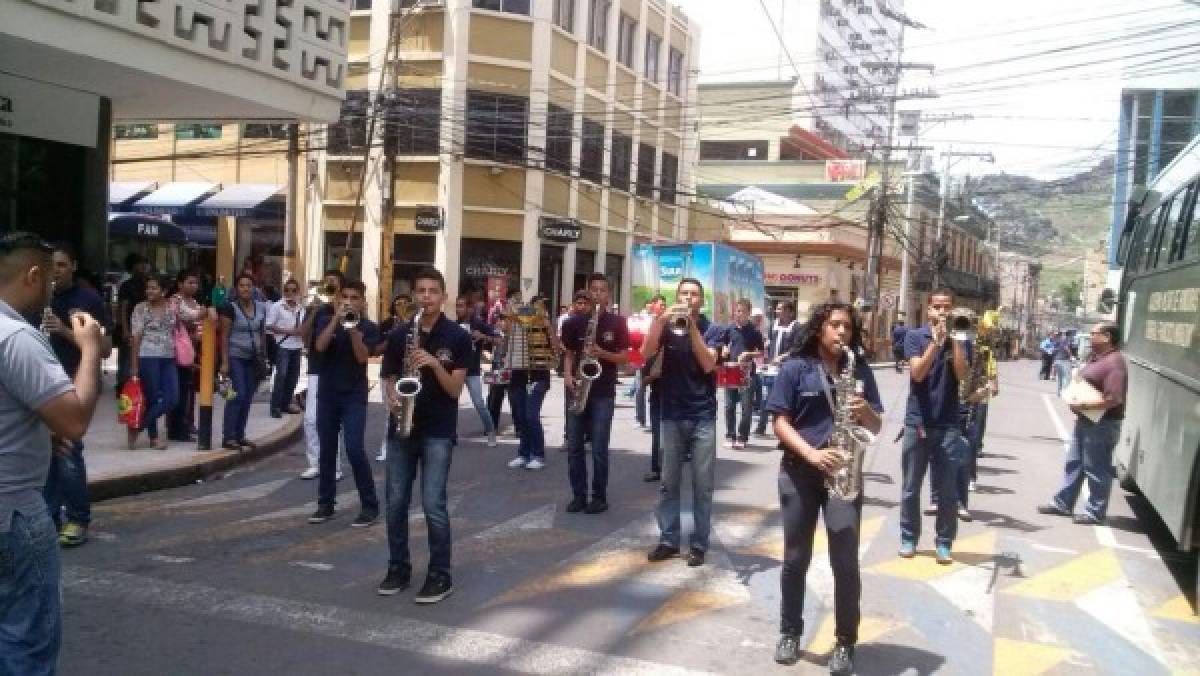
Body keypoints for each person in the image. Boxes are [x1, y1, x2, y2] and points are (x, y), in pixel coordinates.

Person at [0, 231, 104, 673]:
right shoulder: (16, 338)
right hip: (14, 514)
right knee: (26, 649)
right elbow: (75, 419)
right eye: (47, 281)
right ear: (33, 275)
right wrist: (91, 351)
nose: (50, 292)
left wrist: (35, 430)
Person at [766, 302, 883, 671]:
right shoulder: (795, 368)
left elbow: (876, 426)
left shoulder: (858, 368)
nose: (841, 333)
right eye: (834, 326)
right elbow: (779, 422)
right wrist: (811, 454)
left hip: (843, 476)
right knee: (795, 558)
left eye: (847, 328)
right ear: (820, 328)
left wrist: (864, 409)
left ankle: (845, 642)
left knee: (845, 563)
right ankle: (789, 632)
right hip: (801, 469)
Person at [378, 267, 471, 603]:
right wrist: (390, 396)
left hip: (437, 430)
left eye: (433, 291)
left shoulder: (458, 337)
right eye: (421, 291)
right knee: (395, 503)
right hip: (402, 427)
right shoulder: (401, 333)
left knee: (433, 504)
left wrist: (433, 363)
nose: (427, 297)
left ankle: (440, 574)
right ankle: (398, 567)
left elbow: (455, 390)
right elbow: (388, 377)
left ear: (443, 296)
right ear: (414, 295)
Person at [644, 277, 723, 566]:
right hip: (671, 412)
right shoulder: (667, 326)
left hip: (703, 414)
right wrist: (659, 321)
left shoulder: (713, 330)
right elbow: (646, 352)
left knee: (702, 486)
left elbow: (709, 363)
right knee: (668, 483)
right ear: (676, 297)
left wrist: (691, 330)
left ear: (701, 301)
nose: (689, 299)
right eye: (684, 294)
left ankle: (699, 544)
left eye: (694, 295)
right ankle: (668, 540)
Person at [41, 243, 111, 547]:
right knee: (46, 455)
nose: (56, 271)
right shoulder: (36, 298)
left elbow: (105, 348)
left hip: (71, 381)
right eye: (51, 265)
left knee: (69, 451)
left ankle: (78, 518)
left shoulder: (88, 300)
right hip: (40, 383)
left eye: (61, 265)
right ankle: (49, 517)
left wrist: (64, 331)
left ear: (73, 267)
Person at [899, 288, 971, 564]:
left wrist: (953, 341)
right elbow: (917, 373)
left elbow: (962, 374)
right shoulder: (915, 337)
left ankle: (944, 542)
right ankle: (908, 537)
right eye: (937, 307)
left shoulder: (962, 337)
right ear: (928, 310)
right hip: (917, 422)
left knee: (948, 489)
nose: (942, 312)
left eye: (947, 307)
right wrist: (935, 344)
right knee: (910, 487)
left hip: (949, 423)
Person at [1038, 322, 1127, 525]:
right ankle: (1063, 503)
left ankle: (1095, 512)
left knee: (1096, 469)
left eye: (1094, 334)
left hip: (1102, 425)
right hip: (1086, 421)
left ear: (1107, 337)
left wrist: (1084, 404)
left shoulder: (1114, 363)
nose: (1089, 337)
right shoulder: (1099, 358)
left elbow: (1114, 399)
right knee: (1075, 464)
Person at [309, 280, 381, 527]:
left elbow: (363, 357)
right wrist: (335, 321)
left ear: (362, 302)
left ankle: (370, 506)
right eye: (345, 297)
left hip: (354, 396)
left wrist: (352, 330)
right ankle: (325, 505)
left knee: (354, 449)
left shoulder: (369, 328)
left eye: (354, 297)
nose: (349, 301)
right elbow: (319, 346)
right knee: (327, 451)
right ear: (338, 299)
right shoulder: (325, 320)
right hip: (328, 394)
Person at [561, 273, 629, 514]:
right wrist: (568, 376)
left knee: (599, 447)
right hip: (578, 388)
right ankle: (578, 495)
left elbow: (624, 357)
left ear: (608, 295)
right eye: (594, 290)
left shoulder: (618, 323)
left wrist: (602, 354)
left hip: (603, 391)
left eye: (603, 290)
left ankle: (599, 496)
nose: (598, 294)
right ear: (588, 293)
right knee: (574, 447)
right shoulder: (573, 322)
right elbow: (569, 353)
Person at [299, 270, 344, 481]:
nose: (329, 287)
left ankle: (334, 465)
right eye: (326, 283)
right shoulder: (316, 308)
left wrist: (337, 307)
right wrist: (315, 311)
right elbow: (304, 335)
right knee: (310, 420)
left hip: (336, 368)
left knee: (331, 420)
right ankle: (315, 463)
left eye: (333, 284)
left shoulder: (346, 308)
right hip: (317, 367)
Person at [128, 275, 179, 450]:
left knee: (172, 398)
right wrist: (134, 366)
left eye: (154, 288)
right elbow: (136, 338)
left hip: (169, 357)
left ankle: (138, 425)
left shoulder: (172, 307)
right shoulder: (140, 309)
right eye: (148, 288)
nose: (150, 291)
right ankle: (154, 438)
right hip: (147, 357)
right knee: (151, 398)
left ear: (164, 291)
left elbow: (189, 318)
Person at [217, 274, 267, 452]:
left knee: (247, 398)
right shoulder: (229, 308)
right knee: (237, 395)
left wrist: (264, 356)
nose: (246, 289)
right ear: (236, 289)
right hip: (235, 356)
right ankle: (228, 437)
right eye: (242, 285)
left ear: (254, 288)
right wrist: (224, 362)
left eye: (249, 285)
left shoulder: (261, 307)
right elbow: (224, 336)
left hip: (253, 358)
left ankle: (240, 435)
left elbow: (262, 333)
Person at [506, 294, 556, 471]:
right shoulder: (518, 326)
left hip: (539, 375)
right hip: (519, 374)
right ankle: (523, 453)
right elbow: (508, 343)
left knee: (531, 415)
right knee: (520, 416)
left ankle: (538, 455)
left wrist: (548, 328)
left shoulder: (545, 327)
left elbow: (556, 350)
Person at [166, 270, 208, 442]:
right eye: (189, 282)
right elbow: (176, 323)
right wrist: (198, 317)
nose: (193, 286)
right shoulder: (174, 301)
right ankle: (176, 427)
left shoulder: (195, 302)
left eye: (195, 283)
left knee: (190, 390)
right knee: (179, 390)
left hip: (194, 350)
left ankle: (187, 423)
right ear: (180, 284)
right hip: (178, 352)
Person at [718, 298, 765, 450]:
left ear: (748, 313)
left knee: (746, 407)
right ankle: (730, 435)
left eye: (742, 311)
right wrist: (724, 349)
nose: (738, 314)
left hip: (746, 373)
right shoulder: (730, 328)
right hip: (731, 371)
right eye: (737, 311)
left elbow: (762, 353)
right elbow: (723, 343)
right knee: (729, 406)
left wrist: (748, 353)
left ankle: (742, 436)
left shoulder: (754, 331)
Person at [455, 294, 499, 447]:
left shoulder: (478, 324)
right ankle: (450, 435)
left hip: (472, 370)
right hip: (456, 370)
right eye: (457, 305)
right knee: (451, 403)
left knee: (479, 403)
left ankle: (491, 432)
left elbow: (499, 339)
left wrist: (484, 337)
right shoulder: (454, 325)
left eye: (461, 306)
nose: (457, 309)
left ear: (469, 308)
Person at [755, 301, 798, 437]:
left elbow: (798, 348)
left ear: (790, 312)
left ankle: (786, 430)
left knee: (785, 401)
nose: (777, 311)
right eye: (777, 309)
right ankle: (761, 427)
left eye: (781, 309)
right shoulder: (773, 324)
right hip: (772, 367)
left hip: (788, 368)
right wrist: (765, 346)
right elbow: (769, 342)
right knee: (766, 398)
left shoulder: (796, 327)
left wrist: (783, 357)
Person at [267, 278, 305, 418]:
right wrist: (288, 331)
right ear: (283, 291)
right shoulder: (277, 306)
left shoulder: (301, 308)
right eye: (287, 290)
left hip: (297, 345)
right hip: (283, 345)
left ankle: (286, 403)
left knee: (293, 377)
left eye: (294, 290)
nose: (290, 293)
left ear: (298, 291)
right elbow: (269, 326)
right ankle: (275, 406)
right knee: (281, 376)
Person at [115, 252, 149, 395]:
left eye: (144, 263)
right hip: (129, 325)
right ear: (132, 266)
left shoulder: (148, 283)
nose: (143, 266)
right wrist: (125, 329)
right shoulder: (126, 286)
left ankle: (138, 387)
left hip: (144, 327)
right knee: (126, 359)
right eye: (139, 263)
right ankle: (123, 387)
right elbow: (123, 308)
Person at [1051, 330, 1074, 397]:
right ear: (1069, 335)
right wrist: (1071, 356)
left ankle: (1059, 392)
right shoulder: (1066, 340)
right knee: (1067, 377)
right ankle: (1065, 392)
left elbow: (1053, 351)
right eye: (1072, 335)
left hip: (1057, 360)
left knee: (1060, 377)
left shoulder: (1057, 341)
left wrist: (1054, 361)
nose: (1073, 337)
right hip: (1064, 361)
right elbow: (1066, 348)